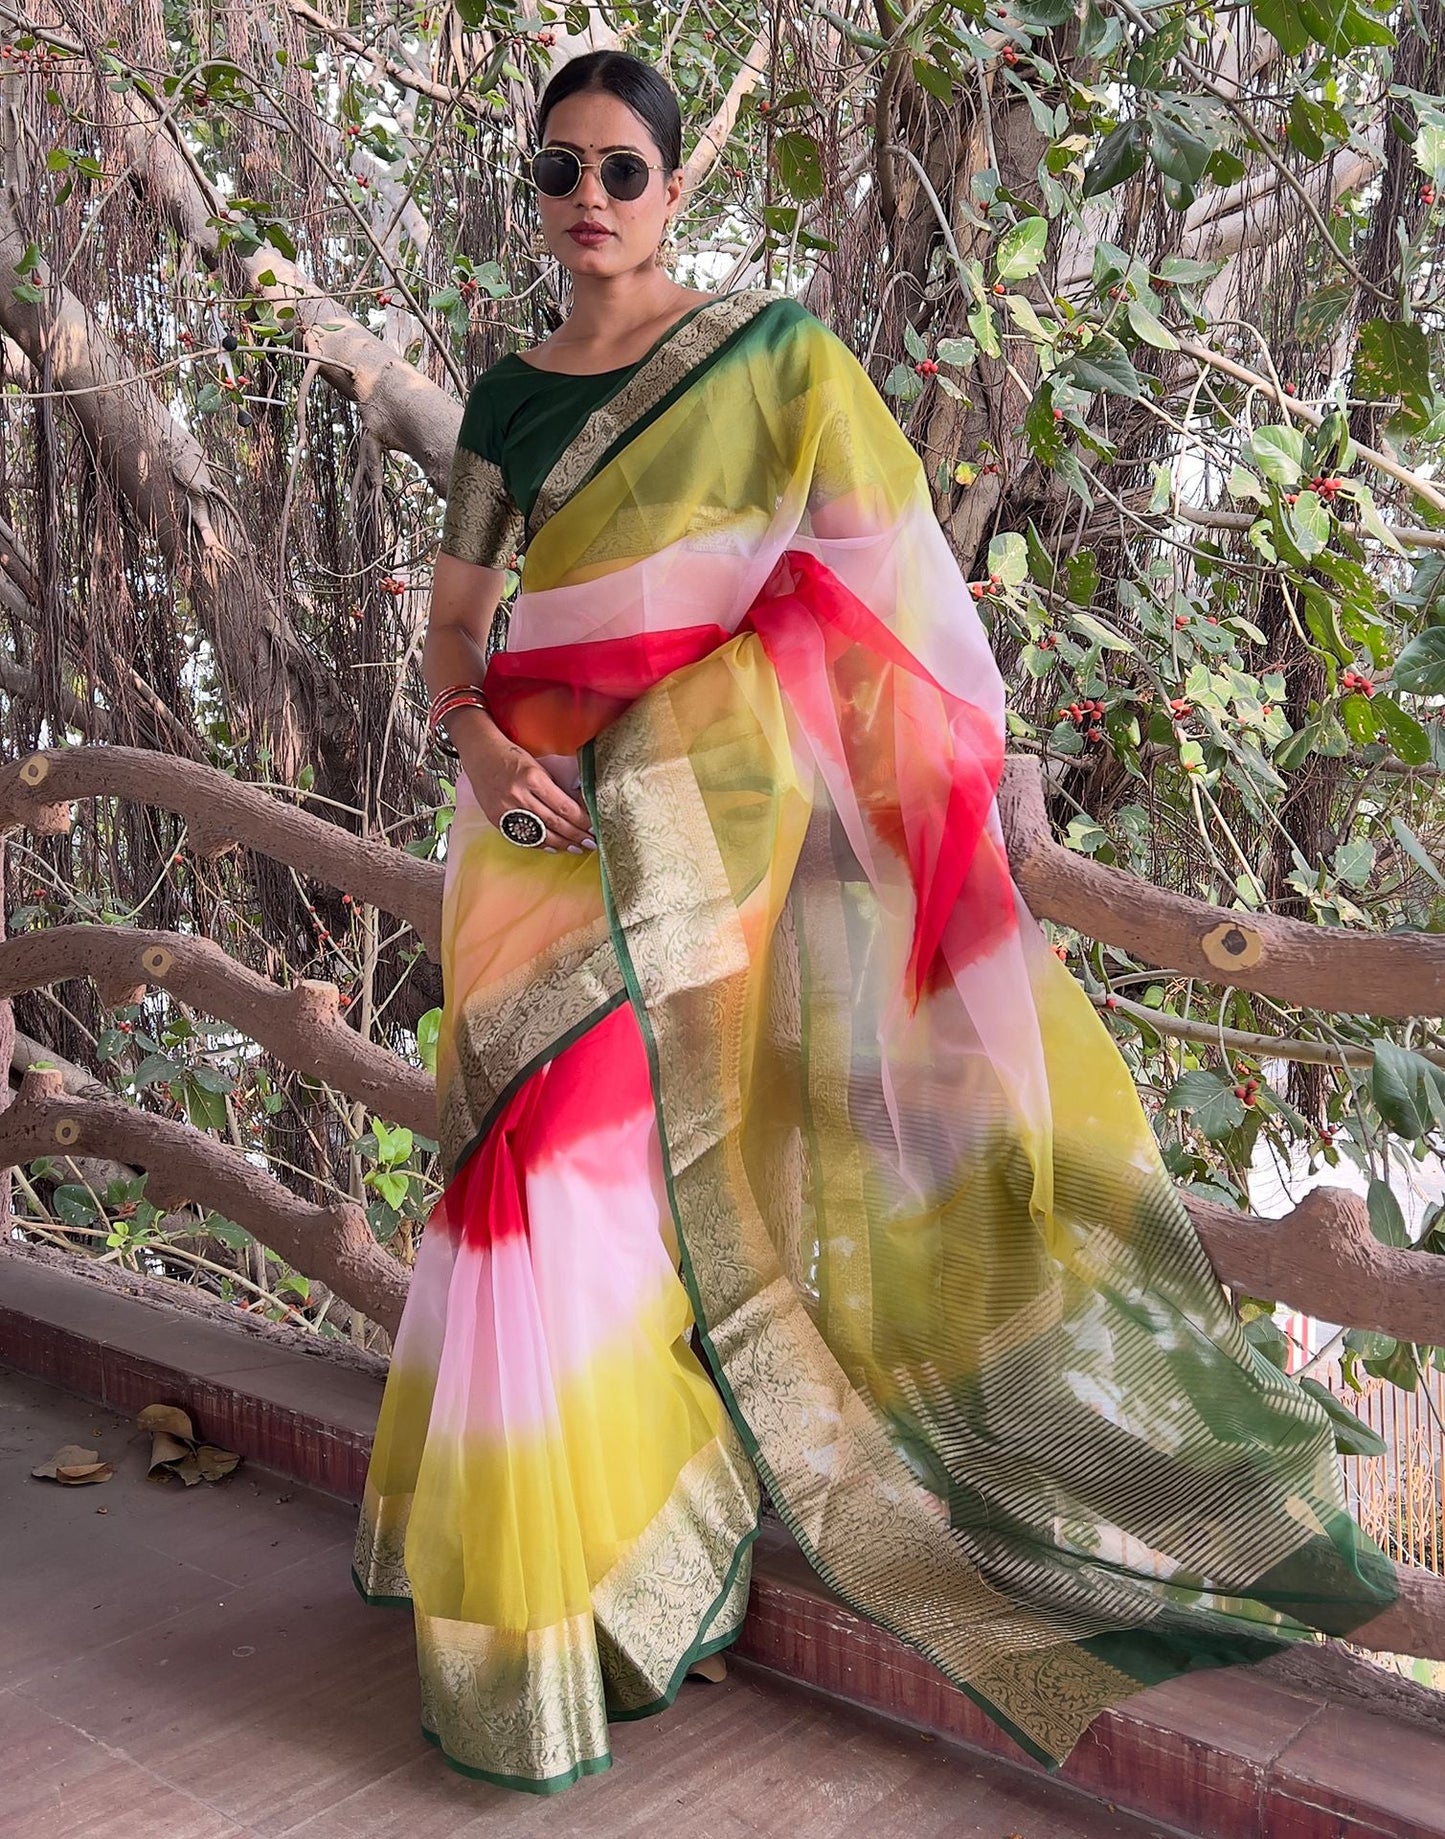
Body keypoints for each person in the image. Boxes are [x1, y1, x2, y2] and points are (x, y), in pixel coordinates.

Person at [353, 47, 1397, 1796]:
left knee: (583, 1196)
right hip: (520, 840)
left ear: (678, 190)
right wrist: (466, 747)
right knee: (513, 1188)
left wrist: (707, 743)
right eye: (558, 172)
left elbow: (879, 594)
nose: (588, 202)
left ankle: (586, 1597)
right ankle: (518, 1604)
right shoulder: (507, 396)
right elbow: (454, 629)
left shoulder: (774, 363)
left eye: (622, 171)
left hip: (688, 831)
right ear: (530, 195)